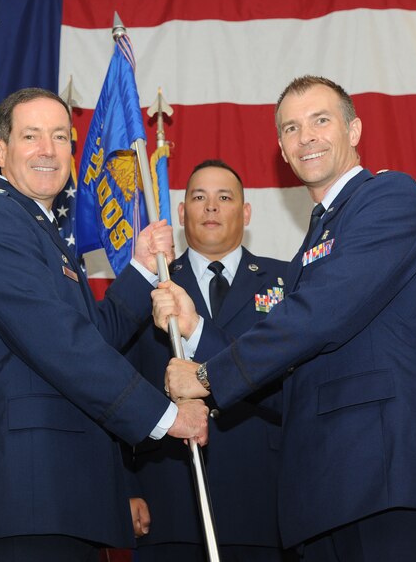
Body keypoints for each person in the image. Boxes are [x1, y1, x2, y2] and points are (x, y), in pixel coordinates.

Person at [161, 76, 416, 561]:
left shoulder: (389, 197)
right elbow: (288, 384)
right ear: (282, 150)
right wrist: (197, 332)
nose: (305, 136)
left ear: (354, 131)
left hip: (391, 483)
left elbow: (321, 315)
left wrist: (207, 376)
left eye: (320, 120)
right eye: (291, 128)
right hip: (323, 502)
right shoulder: (309, 250)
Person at [0, 87, 208, 562]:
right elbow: (62, 345)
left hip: (63, 497)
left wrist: (142, 268)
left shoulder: (39, 230)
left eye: (61, 137)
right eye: (31, 136)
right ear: (1, 151)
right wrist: (166, 417)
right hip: (26, 499)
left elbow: (92, 336)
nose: (48, 149)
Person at [123, 159, 288, 561]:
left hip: (267, 503)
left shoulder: (288, 283)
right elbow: (116, 390)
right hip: (168, 501)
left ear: (245, 212)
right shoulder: (146, 286)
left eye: (224, 197)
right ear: (181, 213)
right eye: (198, 197)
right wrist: (124, 487)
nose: (211, 207)